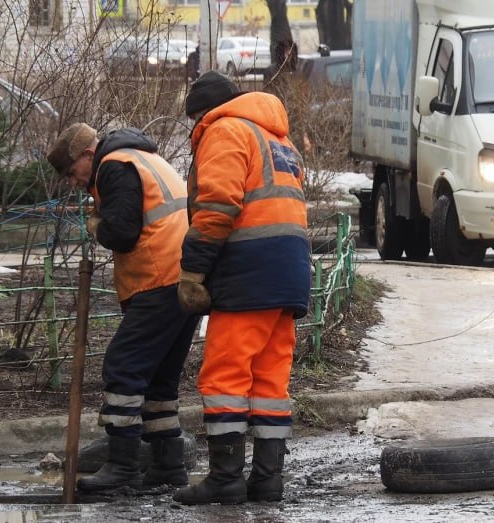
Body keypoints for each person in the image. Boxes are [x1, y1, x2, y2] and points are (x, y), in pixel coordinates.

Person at [171, 71, 310, 505]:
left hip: (248, 270)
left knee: (226, 375)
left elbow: (217, 207)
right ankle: (267, 479)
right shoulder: (277, 139)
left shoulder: (224, 130)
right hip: (288, 271)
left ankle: (225, 478)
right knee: (270, 381)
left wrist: (193, 271)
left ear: (201, 114)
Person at [46, 123, 201, 492]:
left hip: (158, 278)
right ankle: (168, 464)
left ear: (87, 154)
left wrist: (96, 225)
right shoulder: (143, 158)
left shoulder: (113, 166)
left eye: (72, 172)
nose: (74, 182)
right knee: (159, 380)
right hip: (185, 277)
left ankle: (122, 466)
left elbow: (122, 232)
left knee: (124, 367)